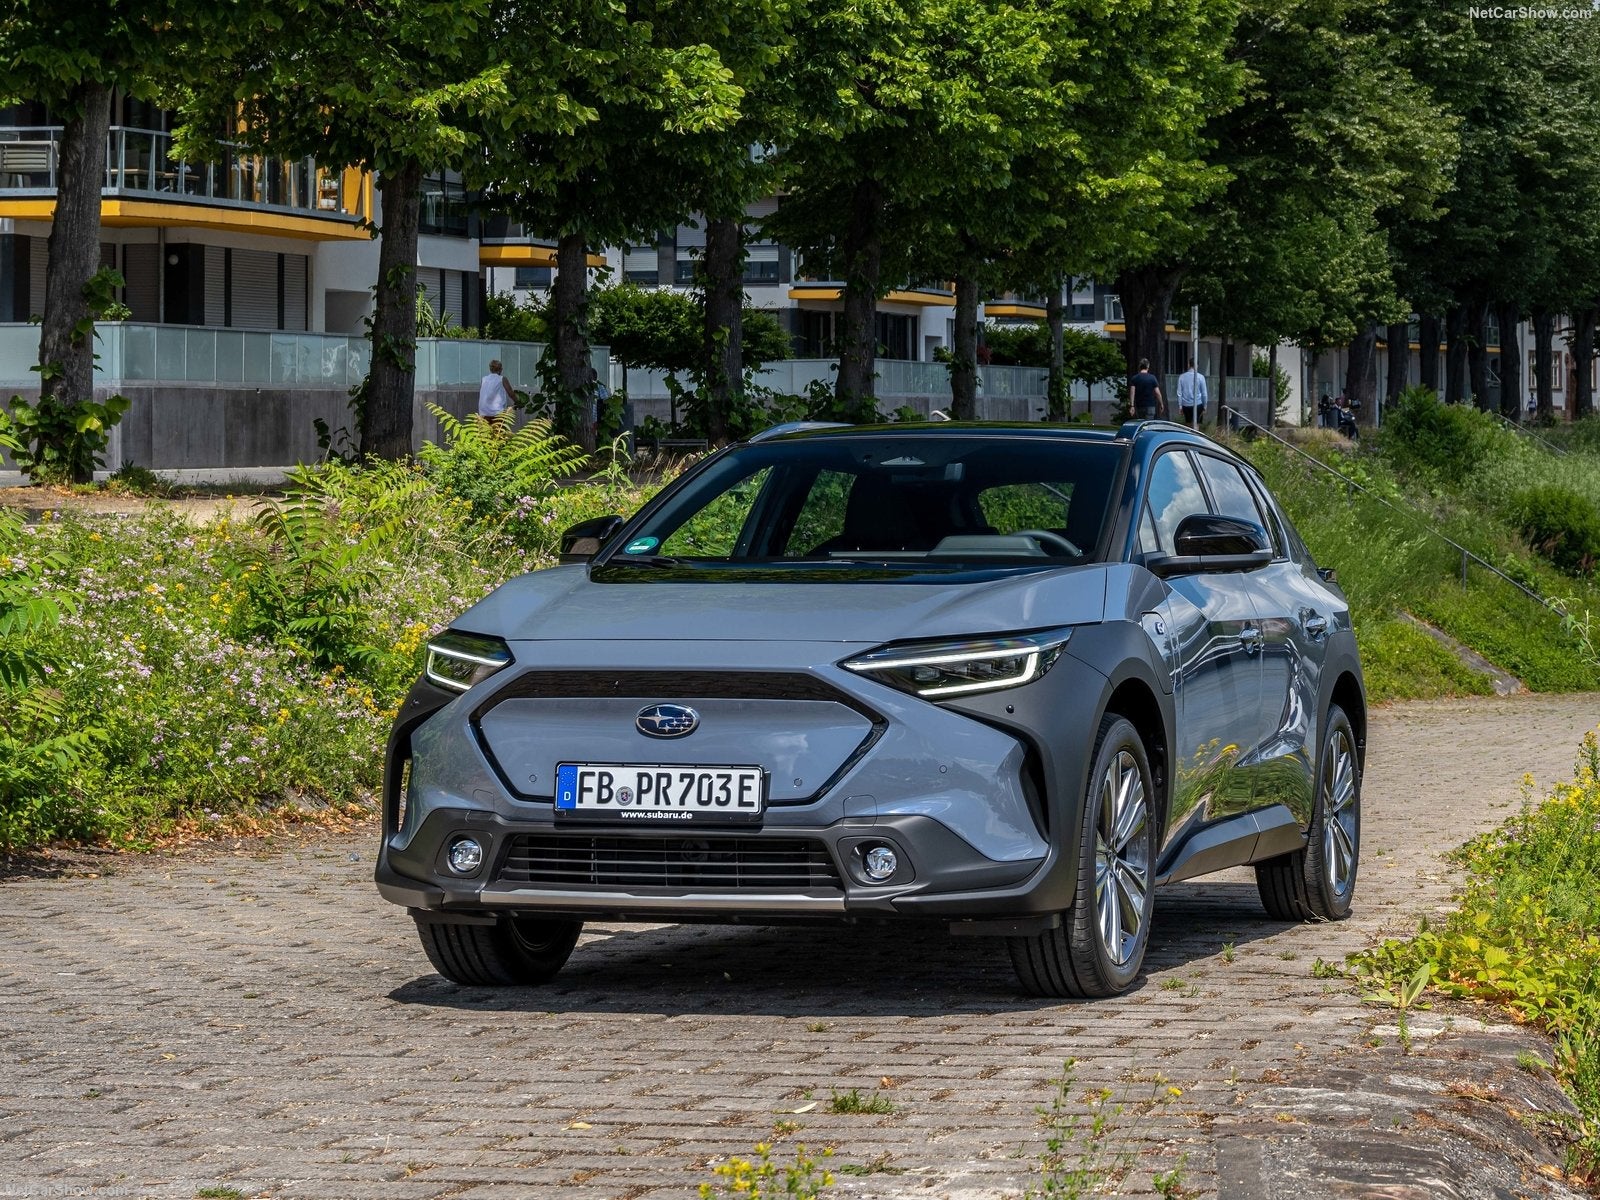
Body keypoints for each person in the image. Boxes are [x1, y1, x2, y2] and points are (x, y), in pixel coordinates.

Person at [1177, 359, 1208, 427]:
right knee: (1196, 425)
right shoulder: (1201, 377)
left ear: (1189, 364)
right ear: (1197, 365)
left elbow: (1179, 393)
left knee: (1188, 425)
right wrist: (1205, 405)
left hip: (1186, 404)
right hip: (1198, 403)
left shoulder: (1182, 377)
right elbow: (1204, 393)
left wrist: (1180, 406)